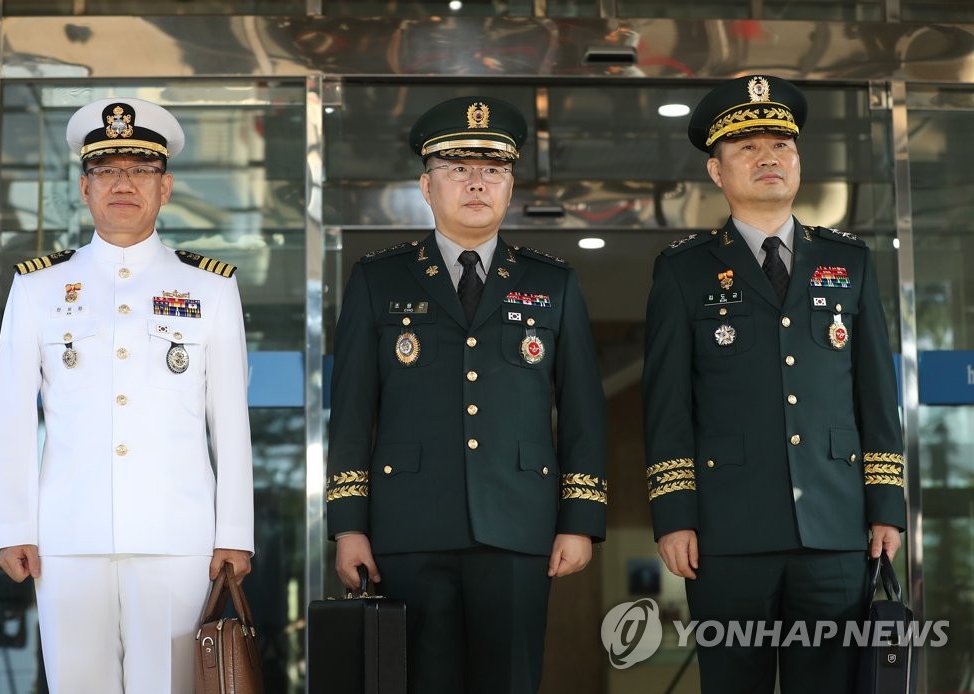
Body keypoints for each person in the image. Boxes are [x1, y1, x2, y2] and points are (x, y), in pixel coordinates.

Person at [326, 96, 608, 694]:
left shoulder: (552, 282)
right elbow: (351, 411)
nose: (477, 183)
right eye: (458, 169)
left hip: (520, 526)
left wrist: (580, 521)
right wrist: (348, 526)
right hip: (408, 527)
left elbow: (583, 410)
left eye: (494, 170)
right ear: (426, 187)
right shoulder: (379, 279)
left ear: (511, 188)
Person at [642, 75, 907, 694]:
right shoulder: (683, 271)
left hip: (836, 528)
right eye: (748, 148)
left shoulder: (850, 262)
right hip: (726, 533)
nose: (769, 158)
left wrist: (886, 507)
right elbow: (667, 406)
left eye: (781, 146)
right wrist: (674, 516)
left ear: (799, 161)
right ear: (716, 171)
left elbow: (875, 396)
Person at [0, 96, 255, 694]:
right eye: (107, 170)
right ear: (85, 189)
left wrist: (234, 532)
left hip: (177, 535)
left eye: (140, 170)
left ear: (165, 188)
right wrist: (13, 525)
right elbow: (11, 416)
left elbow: (230, 421)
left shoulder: (209, 287)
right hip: (66, 535)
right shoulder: (39, 287)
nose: (123, 184)